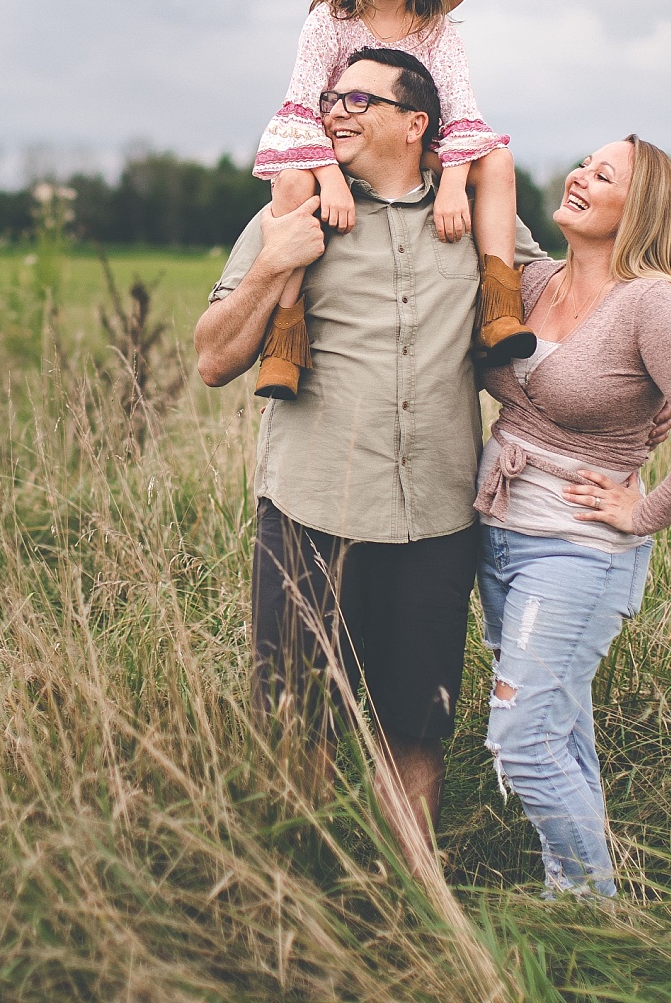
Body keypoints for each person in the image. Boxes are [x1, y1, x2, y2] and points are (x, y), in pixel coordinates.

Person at [196, 47, 485, 858]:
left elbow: (540, 325)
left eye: (358, 99)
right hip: (310, 512)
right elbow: (213, 358)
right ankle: (299, 902)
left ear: (414, 121)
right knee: (300, 722)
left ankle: (413, 904)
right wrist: (271, 270)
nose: (335, 112)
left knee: (416, 725)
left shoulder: (478, 220)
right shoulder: (292, 214)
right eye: (330, 98)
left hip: (438, 516)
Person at [471, 135, 671, 898]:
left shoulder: (651, 306)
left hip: (577, 554)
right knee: (557, 727)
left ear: (643, 208)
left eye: (605, 174)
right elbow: (475, 178)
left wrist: (645, 511)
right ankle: (578, 903)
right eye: (582, 163)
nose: (580, 176)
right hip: (499, 542)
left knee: (523, 743)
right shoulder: (530, 281)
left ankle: (593, 900)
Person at [250, 0, 541, 400]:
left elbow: (461, 115)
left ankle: (500, 309)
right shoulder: (330, 19)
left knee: (496, 160)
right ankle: (284, 339)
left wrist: (454, 185)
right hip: (334, 145)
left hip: (416, 148)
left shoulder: (437, 31)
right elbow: (300, 107)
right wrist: (330, 181)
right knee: (289, 184)